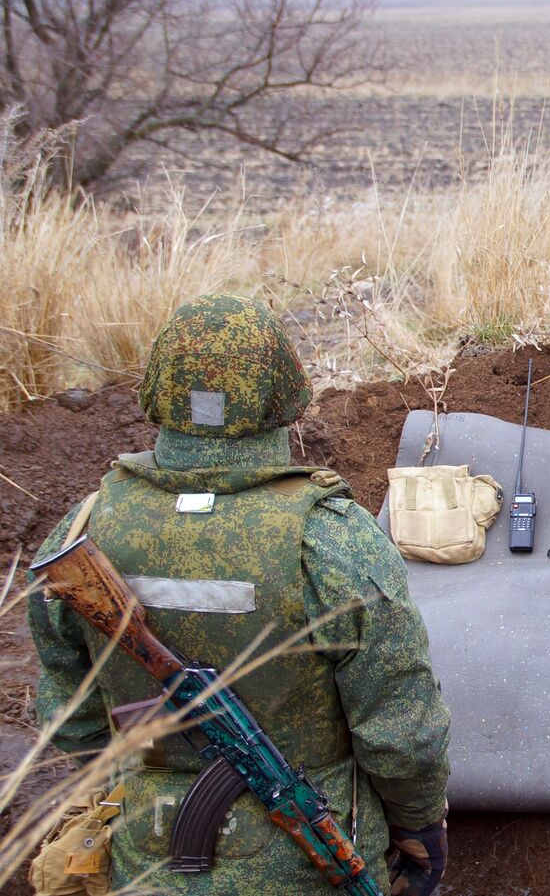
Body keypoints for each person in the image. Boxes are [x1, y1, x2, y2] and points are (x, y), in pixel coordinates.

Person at [28, 294, 452, 894]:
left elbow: (68, 712)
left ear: (158, 394)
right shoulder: (328, 538)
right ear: (285, 395)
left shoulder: (84, 528)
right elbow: (401, 731)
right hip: (302, 869)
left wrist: (128, 784)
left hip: (146, 861)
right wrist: (419, 826)